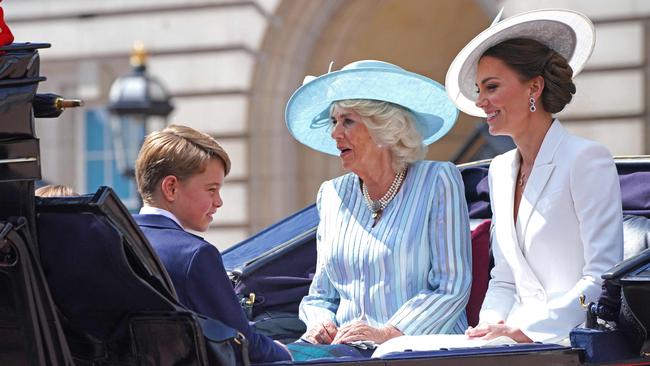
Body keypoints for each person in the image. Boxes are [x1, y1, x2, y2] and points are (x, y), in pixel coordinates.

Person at [445, 9, 624, 343]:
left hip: (568, 339)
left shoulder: (586, 159)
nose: (481, 101)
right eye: (478, 89)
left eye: (492, 87)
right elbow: (504, 280)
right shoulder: (499, 171)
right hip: (508, 342)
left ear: (535, 87)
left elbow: (601, 278)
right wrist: (490, 328)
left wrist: (526, 332)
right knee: (395, 351)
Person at [285, 60, 472, 346]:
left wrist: (389, 334)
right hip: (348, 352)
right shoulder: (332, 194)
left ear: (385, 129)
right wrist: (320, 323)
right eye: (334, 122)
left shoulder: (437, 180)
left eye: (347, 121)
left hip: (424, 351)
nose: (335, 133)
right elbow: (320, 295)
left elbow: (452, 286)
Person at [132, 124, 292, 362]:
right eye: (211, 189)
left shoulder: (113, 237)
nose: (219, 202)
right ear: (171, 188)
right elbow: (242, 344)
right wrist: (289, 352)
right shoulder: (195, 254)